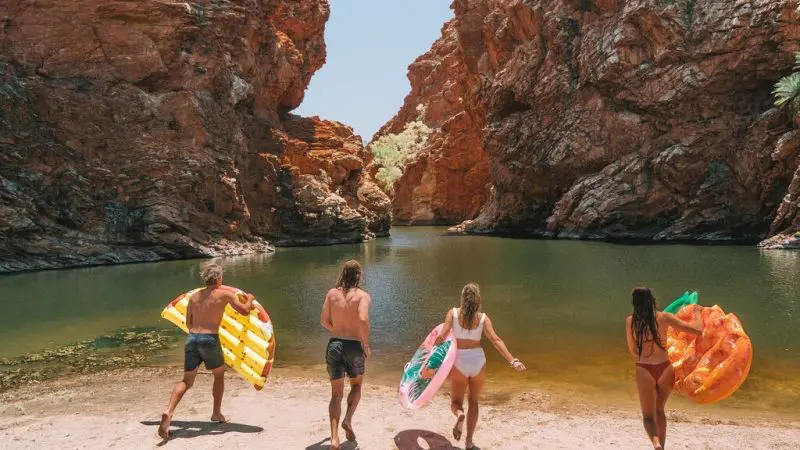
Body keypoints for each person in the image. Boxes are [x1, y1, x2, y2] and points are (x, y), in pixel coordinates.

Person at [158, 262, 254, 439]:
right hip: (210, 339)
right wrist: (250, 298)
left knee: (187, 381)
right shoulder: (225, 294)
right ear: (218, 278)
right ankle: (216, 413)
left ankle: (168, 411)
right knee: (218, 375)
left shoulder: (194, 297)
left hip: (192, 339)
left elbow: (188, 323)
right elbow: (245, 311)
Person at [434, 283, 526, 450]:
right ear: (478, 300)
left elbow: (441, 336)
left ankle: (460, 415)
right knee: (474, 402)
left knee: (456, 402)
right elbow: (496, 340)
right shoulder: (483, 318)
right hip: (478, 361)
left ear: (462, 297)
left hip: (459, 361)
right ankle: (469, 442)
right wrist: (513, 360)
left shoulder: (453, 314)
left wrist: (429, 355)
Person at [625, 286, 703, 450]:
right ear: (652, 301)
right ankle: (663, 447)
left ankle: (656, 443)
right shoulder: (664, 318)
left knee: (648, 417)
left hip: (644, 369)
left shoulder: (630, 321)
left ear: (634, 303)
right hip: (665, 368)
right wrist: (696, 311)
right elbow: (697, 331)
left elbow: (633, 351)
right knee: (659, 410)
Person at [319, 260, 372, 450]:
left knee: (335, 395)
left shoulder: (332, 294)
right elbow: (363, 320)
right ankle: (348, 419)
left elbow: (323, 320)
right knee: (356, 386)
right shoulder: (363, 296)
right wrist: (365, 344)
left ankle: (334, 439)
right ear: (359, 275)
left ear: (343, 273)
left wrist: (336, 330)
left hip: (334, 344)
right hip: (354, 346)